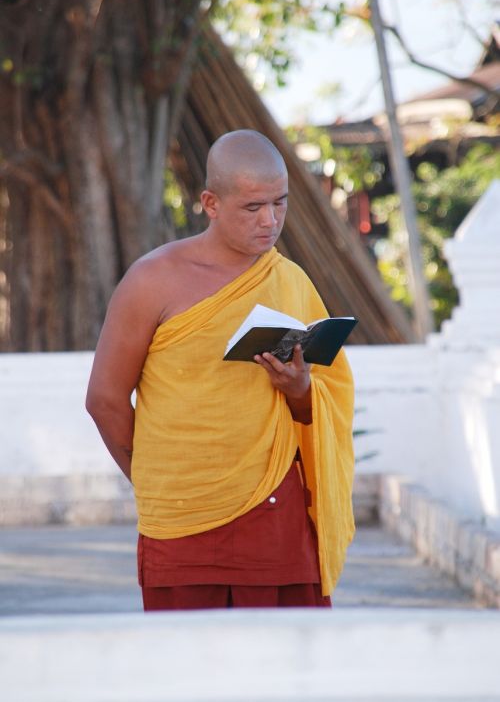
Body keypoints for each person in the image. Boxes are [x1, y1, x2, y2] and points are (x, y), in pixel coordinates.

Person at [86, 129, 355, 611]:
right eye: (252, 208)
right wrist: (155, 478)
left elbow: (325, 395)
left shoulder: (289, 281)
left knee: (286, 674)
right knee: (190, 676)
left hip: (275, 512)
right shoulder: (153, 280)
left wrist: (299, 391)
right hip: (180, 516)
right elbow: (104, 399)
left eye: (280, 203)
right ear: (210, 203)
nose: (270, 221)